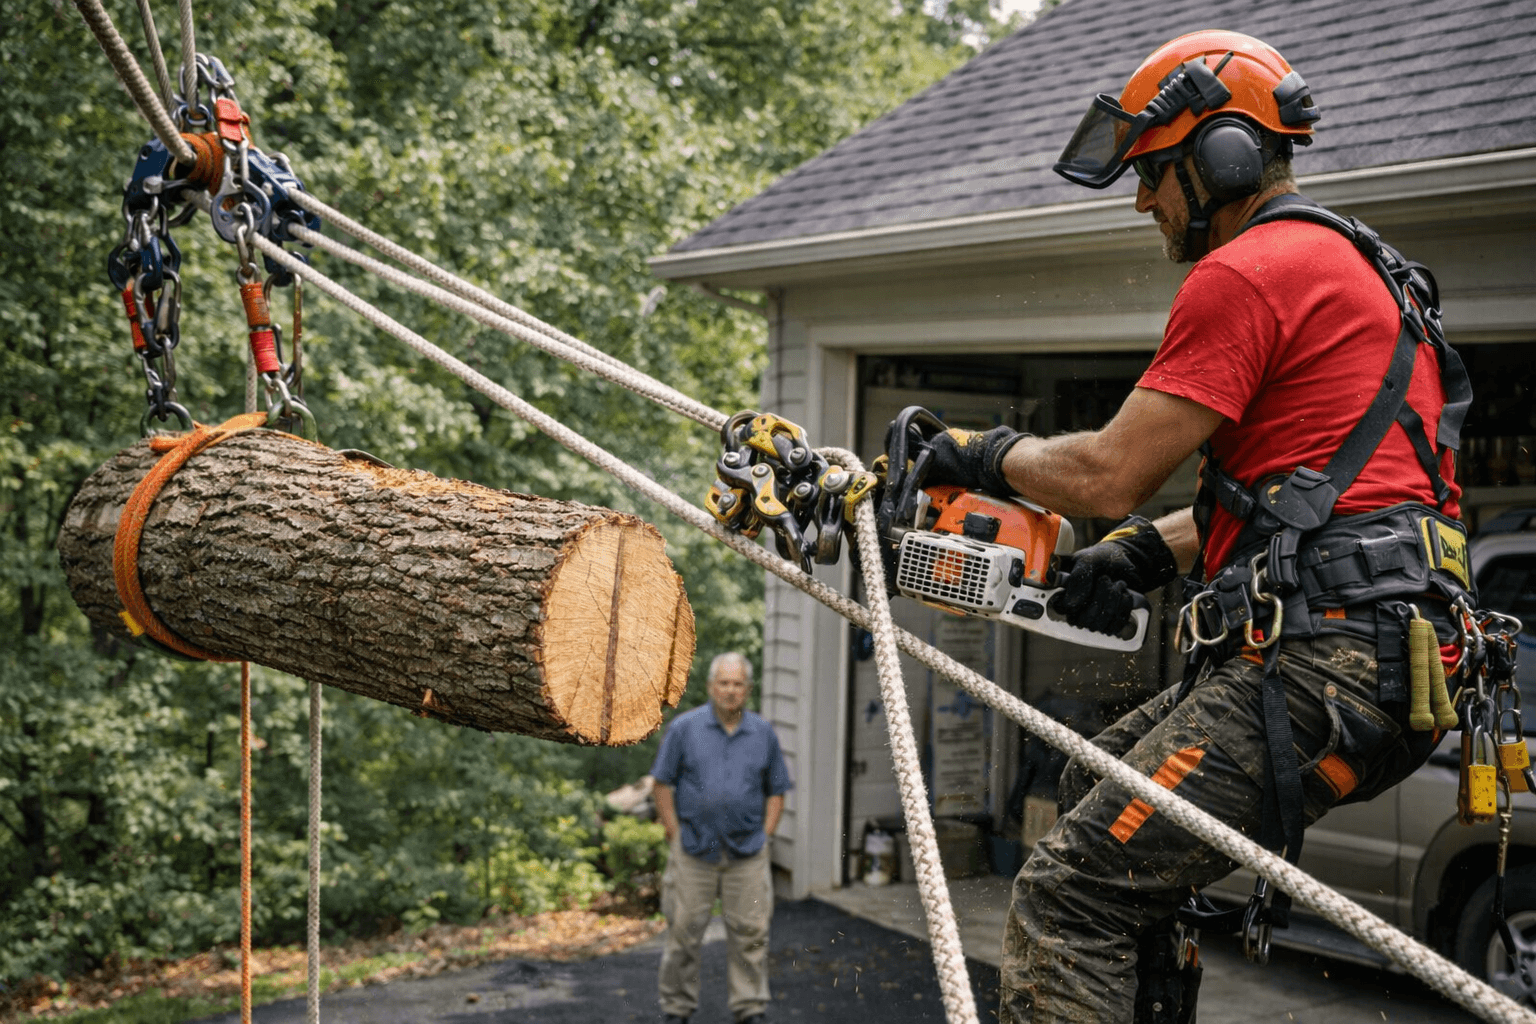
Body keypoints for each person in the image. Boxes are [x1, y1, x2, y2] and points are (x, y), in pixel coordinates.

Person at [904, 29, 1475, 1023]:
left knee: (1068, 894)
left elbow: (1105, 473)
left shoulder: (1246, 272)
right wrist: (1136, 557)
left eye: (1154, 175)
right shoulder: (1364, 271)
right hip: (1396, 665)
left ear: (1223, 158)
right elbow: (1310, 506)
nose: (1143, 203)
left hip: (1319, 669)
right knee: (1100, 796)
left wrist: (983, 451)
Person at [652, 652, 793, 1024]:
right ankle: (676, 1009)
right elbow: (662, 783)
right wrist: (673, 831)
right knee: (684, 933)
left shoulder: (763, 733)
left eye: (738, 684)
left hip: (747, 852)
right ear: (712, 686)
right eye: (724, 683)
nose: (731, 690)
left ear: (748, 689)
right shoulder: (685, 728)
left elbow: (777, 789)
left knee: (751, 935)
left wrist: (766, 834)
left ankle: (749, 1009)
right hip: (695, 850)